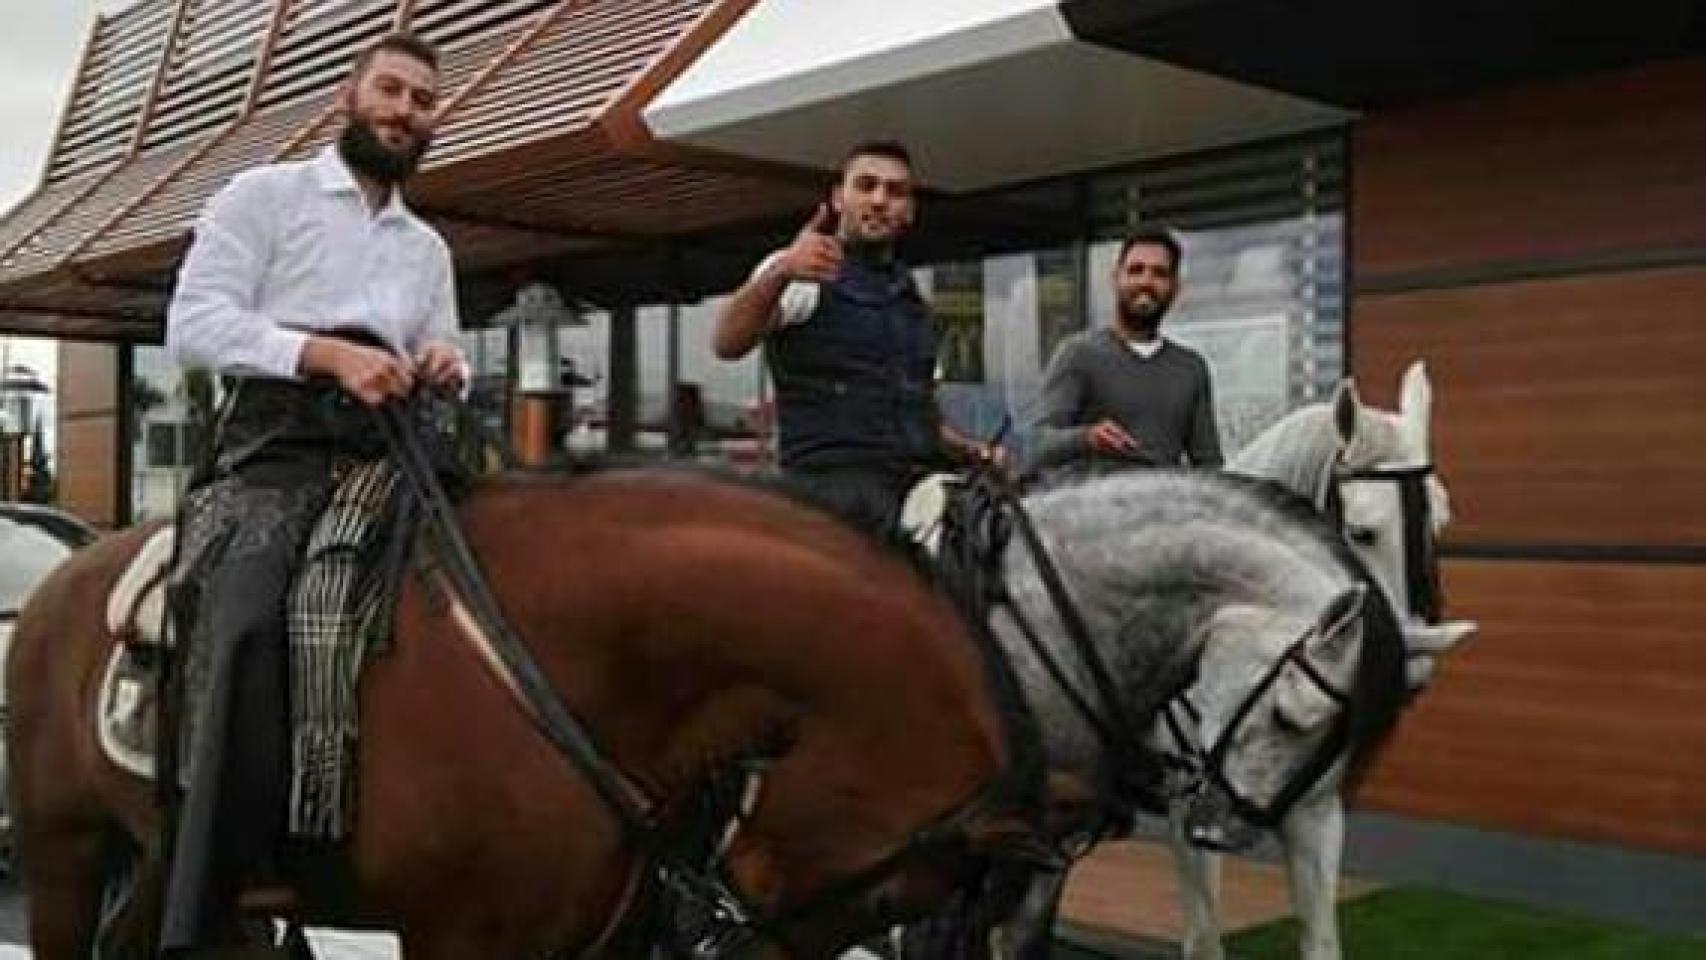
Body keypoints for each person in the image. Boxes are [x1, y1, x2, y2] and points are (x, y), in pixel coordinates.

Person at [160, 32, 466, 956]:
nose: (404, 109)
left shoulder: (429, 246)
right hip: (275, 443)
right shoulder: (265, 196)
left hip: (393, 443)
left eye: (421, 99)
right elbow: (192, 325)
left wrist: (443, 361)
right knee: (253, 614)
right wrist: (324, 353)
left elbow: (437, 344)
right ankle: (234, 881)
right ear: (350, 93)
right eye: (390, 89)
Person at [713, 139, 998, 535]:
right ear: (838, 199)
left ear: (910, 211)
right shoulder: (804, 270)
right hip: (829, 499)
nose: (879, 200)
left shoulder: (915, 305)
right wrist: (780, 273)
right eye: (866, 186)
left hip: (914, 487)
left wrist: (973, 451)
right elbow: (727, 342)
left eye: (895, 191)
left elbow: (920, 416)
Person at [1028, 227, 1223, 482]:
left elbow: (1209, 467)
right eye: (1135, 270)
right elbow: (1038, 446)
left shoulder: (1191, 368)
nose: (1146, 281)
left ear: (1174, 288)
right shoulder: (1078, 354)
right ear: (1116, 278)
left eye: (1159, 273)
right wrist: (1087, 438)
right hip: (1090, 514)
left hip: (1166, 514)